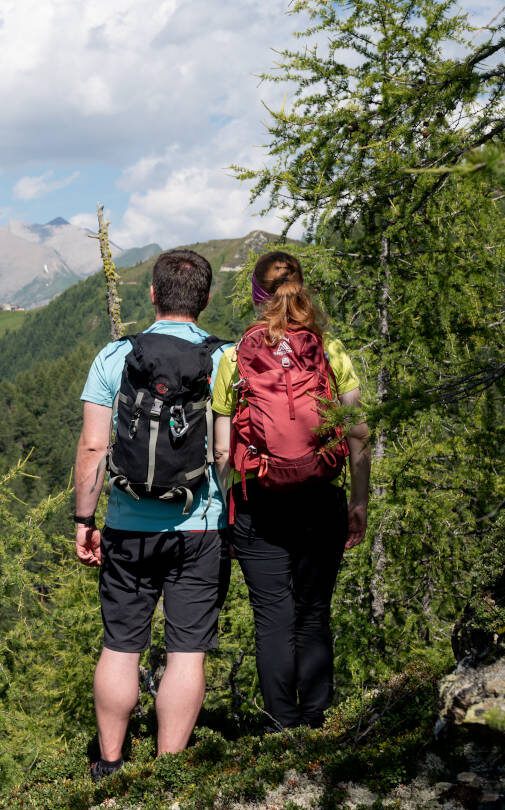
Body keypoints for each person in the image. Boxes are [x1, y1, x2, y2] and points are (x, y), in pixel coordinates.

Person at [73, 249, 229, 782]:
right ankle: (168, 775)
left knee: (120, 646)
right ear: (205, 300)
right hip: (200, 524)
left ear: (153, 295)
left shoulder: (114, 357)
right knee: (187, 652)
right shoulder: (223, 358)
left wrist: (84, 519)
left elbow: (94, 449)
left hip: (127, 525)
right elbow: (232, 450)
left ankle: (110, 765)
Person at [211, 250, 371, 731]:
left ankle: (282, 728)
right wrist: (360, 501)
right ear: (302, 288)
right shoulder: (330, 349)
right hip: (321, 497)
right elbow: (359, 431)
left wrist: (226, 512)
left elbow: (221, 453)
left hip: (259, 503)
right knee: (313, 612)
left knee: (272, 619)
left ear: (258, 296)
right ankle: (320, 722)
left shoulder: (233, 358)